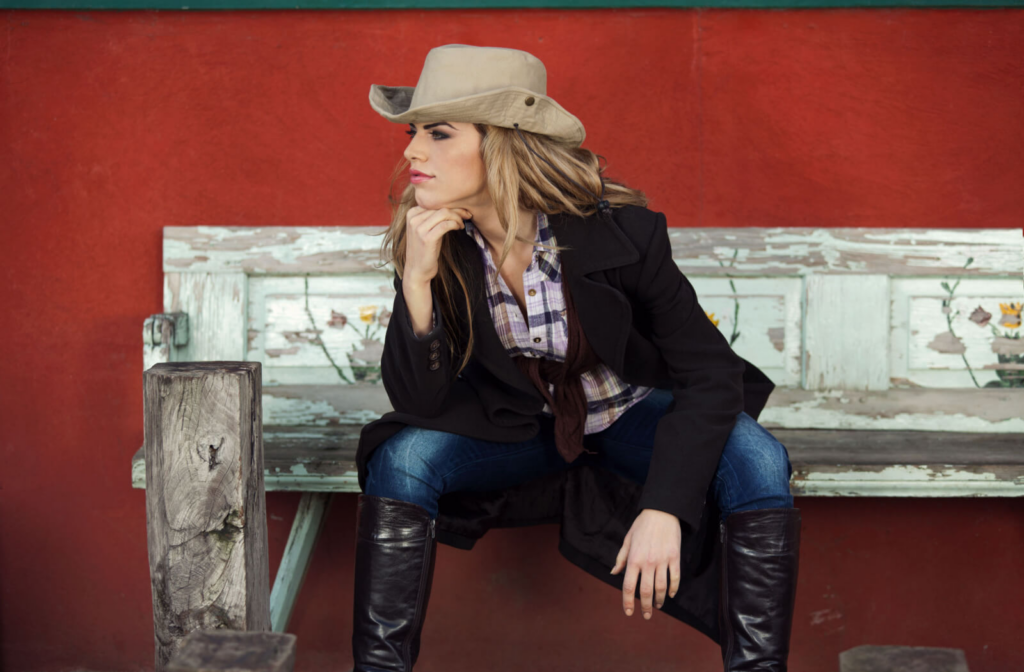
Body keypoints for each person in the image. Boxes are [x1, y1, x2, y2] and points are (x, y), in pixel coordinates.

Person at [353, 44, 801, 672]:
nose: (411, 151)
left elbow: (710, 373)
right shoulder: (436, 242)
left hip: (629, 417)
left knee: (758, 457)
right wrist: (416, 284)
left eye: (438, 133)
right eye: (413, 132)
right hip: (516, 430)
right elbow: (419, 402)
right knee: (402, 459)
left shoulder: (622, 233)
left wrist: (666, 505)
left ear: (504, 144)